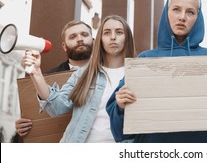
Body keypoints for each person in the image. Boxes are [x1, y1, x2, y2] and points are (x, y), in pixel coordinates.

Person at [106, 0, 207, 143]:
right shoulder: (144, 61)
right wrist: (120, 106)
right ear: (166, 13)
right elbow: (120, 133)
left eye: (190, 12)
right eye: (176, 9)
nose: (182, 17)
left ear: (198, 17)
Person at [21, 14, 136, 142]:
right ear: (99, 39)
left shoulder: (138, 75)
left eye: (119, 32)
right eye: (107, 33)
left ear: (128, 38)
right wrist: (36, 72)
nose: (113, 37)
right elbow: (56, 107)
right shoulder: (83, 74)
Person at [15, 20, 93, 139]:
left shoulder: (108, 73)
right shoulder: (45, 80)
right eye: (72, 37)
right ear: (64, 46)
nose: (80, 39)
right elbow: (36, 114)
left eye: (84, 34)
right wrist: (22, 127)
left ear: (93, 41)